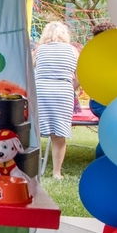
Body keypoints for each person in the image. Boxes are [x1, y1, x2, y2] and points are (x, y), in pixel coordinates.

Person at [33, 21, 79, 179]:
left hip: (41, 91)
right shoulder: (73, 50)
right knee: (59, 135)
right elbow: (79, 76)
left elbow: (29, 68)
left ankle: (33, 168)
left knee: (35, 131)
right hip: (63, 92)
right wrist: (71, 88)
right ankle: (56, 172)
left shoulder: (40, 50)